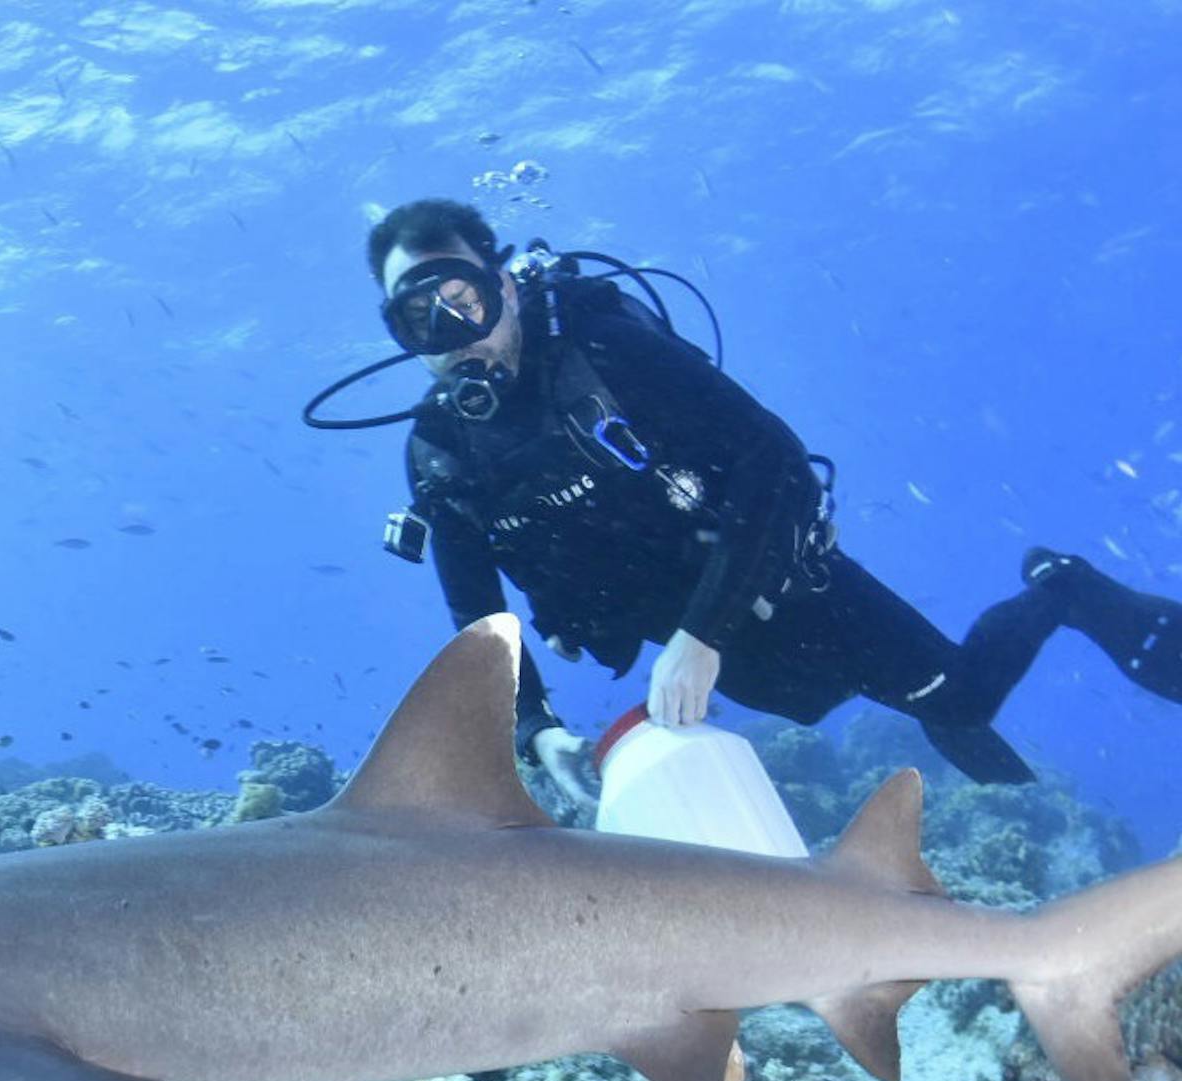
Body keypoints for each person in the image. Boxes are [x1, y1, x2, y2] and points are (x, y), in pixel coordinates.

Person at [360, 198, 1182, 805]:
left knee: (960, 696)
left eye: (459, 298)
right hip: (692, 632)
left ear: (501, 283)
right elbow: (480, 616)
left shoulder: (605, 352)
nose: (449, 330)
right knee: (839, 703)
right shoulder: (437, 451)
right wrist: (535, 726)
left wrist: (701, 635)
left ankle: (1061, 588)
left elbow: (775, 462)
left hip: (776, 581)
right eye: (416, 317)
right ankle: (934, 709)